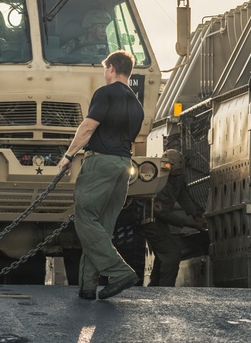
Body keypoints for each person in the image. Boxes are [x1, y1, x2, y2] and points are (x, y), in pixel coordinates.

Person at [59, 50, 144, 300]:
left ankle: (120, 272)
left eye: (105, 69)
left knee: (85, 217)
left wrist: (68, 155)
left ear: (111, 69)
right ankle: (87, 286)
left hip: (101, 163)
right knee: (101, 228)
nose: (104, 73)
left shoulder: (105, 93)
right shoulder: (136, 104)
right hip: (123, 165)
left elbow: (88, 127)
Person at [144, 149, 207, 286]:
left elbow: (182, 194)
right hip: (151, 221)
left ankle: (155, 287)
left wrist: (195, 214)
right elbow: (162, 212)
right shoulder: (158, 180)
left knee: (163, 256)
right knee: (171, 255)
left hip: (159, 222)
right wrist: (191, 224)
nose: (177, 175)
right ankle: (164, 289)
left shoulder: (177, 176)